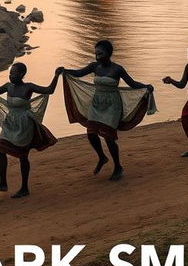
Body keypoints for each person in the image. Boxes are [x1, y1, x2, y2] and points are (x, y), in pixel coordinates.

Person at [57, 39, 155, 181]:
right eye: (96, 54)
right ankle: (102, 157)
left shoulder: (117, 69)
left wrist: (146, 86)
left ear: (109, 53)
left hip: (112, 105)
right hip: (97, 104)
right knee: (91, 133)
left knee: (108, 137)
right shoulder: (94, 66)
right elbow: (78, 73)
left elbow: (132, 83)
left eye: (100, 54)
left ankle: (117, 167)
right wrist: (64, 71)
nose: (97, 57)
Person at [0, 62, 59, 198]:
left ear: (21, 74)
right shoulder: (8, 86)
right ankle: (3, 183)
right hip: (10, 123)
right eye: (10, 73)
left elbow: (49, 90)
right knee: (0, 150)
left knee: (23, 156)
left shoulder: (29, 87)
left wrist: (56, 75)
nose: (11, 75)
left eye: (14, 73)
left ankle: (24, 188)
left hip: (24, 125)